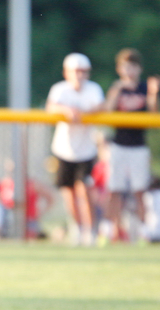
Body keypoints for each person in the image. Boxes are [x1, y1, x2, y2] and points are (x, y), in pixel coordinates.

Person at [102, 48, 160, 243]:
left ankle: (144, 231)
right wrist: (117, 89)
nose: (129, 71)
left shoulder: (144, 88)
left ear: (139, 69)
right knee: (115, 189)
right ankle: (111, 230)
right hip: (119, 144)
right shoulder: (117, 88)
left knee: (139, 190)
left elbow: (153, 116)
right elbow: (108, 112)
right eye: (126, 66)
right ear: (119, 69)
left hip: (138, 145)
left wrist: (153, 93)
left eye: (133, 66)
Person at [45, 53, 104, 246]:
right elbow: (51, 107)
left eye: (83, 71)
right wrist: (66, 110)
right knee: (68, 192)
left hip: (86, 149)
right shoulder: (60, 89)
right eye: (75, 71)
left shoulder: (93, 89)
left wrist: (82, 113)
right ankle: (76, 227)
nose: (79, 75)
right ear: (66, 73)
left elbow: (101, 107)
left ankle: (90, 230)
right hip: (64, 148)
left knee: (84, 190)